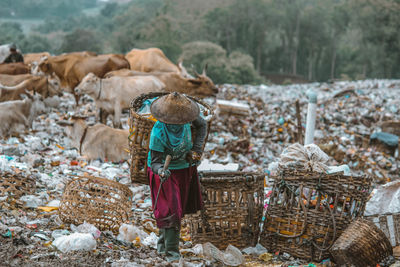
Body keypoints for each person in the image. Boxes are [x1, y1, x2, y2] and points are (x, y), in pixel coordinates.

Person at [147, 92, 207, 262]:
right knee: (171, 209)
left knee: (175, 208)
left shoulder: (189, 119)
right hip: (165, 173)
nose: (178, 123)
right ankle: (172, 254)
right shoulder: (158, 132)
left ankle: (162, 246)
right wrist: (160, 171)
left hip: (184, 169)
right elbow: (156, 162)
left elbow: (202, 126)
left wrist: (196, 150)